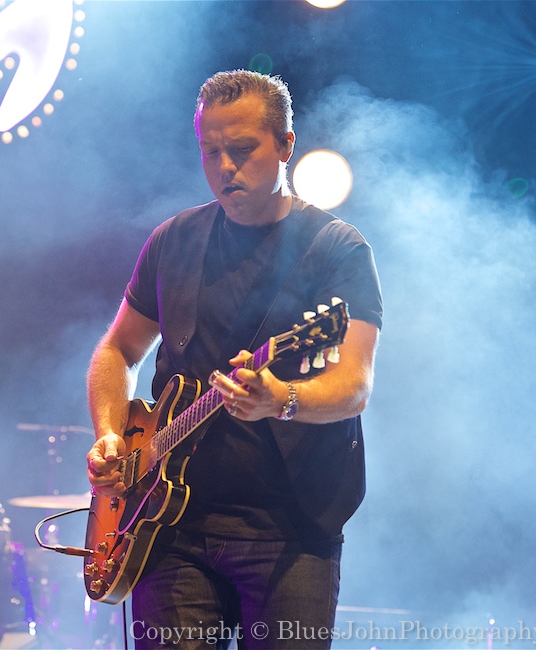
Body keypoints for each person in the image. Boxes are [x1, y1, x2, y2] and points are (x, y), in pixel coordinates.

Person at [85, 69, 382, 649]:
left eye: (242, 149)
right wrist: (110, 433)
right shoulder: (173, 241)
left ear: (286, 145)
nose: (224, 166)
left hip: (288, 533)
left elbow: (354, 383)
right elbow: (118, 349)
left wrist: (283, 399)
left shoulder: (337, 250)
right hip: (165, 528)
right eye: (210, 151)